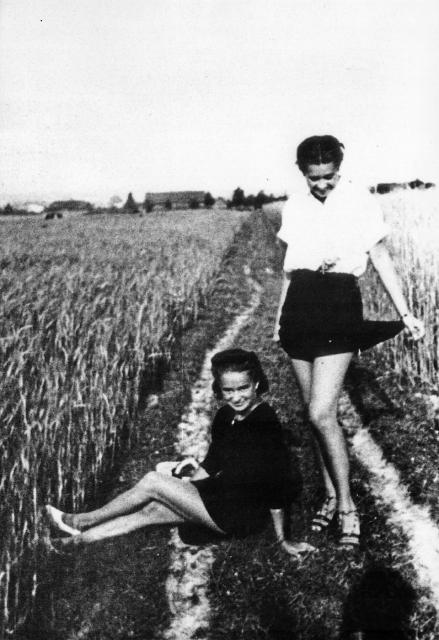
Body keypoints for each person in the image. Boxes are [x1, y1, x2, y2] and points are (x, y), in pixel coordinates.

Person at [273, 135, 425, 549]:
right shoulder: (295, 206)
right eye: (314, 178)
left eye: (330, 176)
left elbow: (380, 257)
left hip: (339, 305)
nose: (322, 184)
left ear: (339, 169)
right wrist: (279, 318)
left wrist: (405, 313)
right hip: (299, 308)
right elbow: (289, 271)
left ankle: (346, 506)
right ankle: (328, 495)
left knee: (322, 412)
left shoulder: (359, 201)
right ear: (302, 173)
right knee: (313, 415)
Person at [45, 349, 310, 557]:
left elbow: (276, 485)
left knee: (153, 481)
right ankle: (71, 544)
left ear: (256, 384)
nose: (237, 397)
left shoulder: (265, 423)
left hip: (240, 514)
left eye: (243, 388)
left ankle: (80, 520)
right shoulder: (225, 415)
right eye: (228, 390)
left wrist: (282, 540)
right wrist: (185, 490)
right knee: (151, 511)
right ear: (219, 389)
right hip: (220, 496)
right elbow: (213, 461)